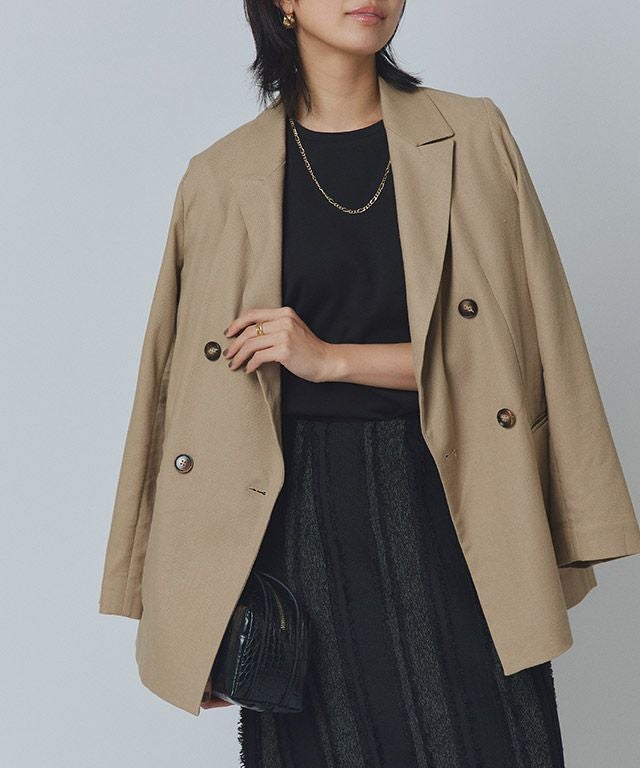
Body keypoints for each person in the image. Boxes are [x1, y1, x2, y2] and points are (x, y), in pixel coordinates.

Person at [99, 0, 640, 765]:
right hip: (297, 525)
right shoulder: (218, 178)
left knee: (495, 740)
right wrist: (187, 610)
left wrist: (332, 359)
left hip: (455, 502)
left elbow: (524, 355)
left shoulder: (472, 136)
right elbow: (175, 404)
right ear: (283, 4)